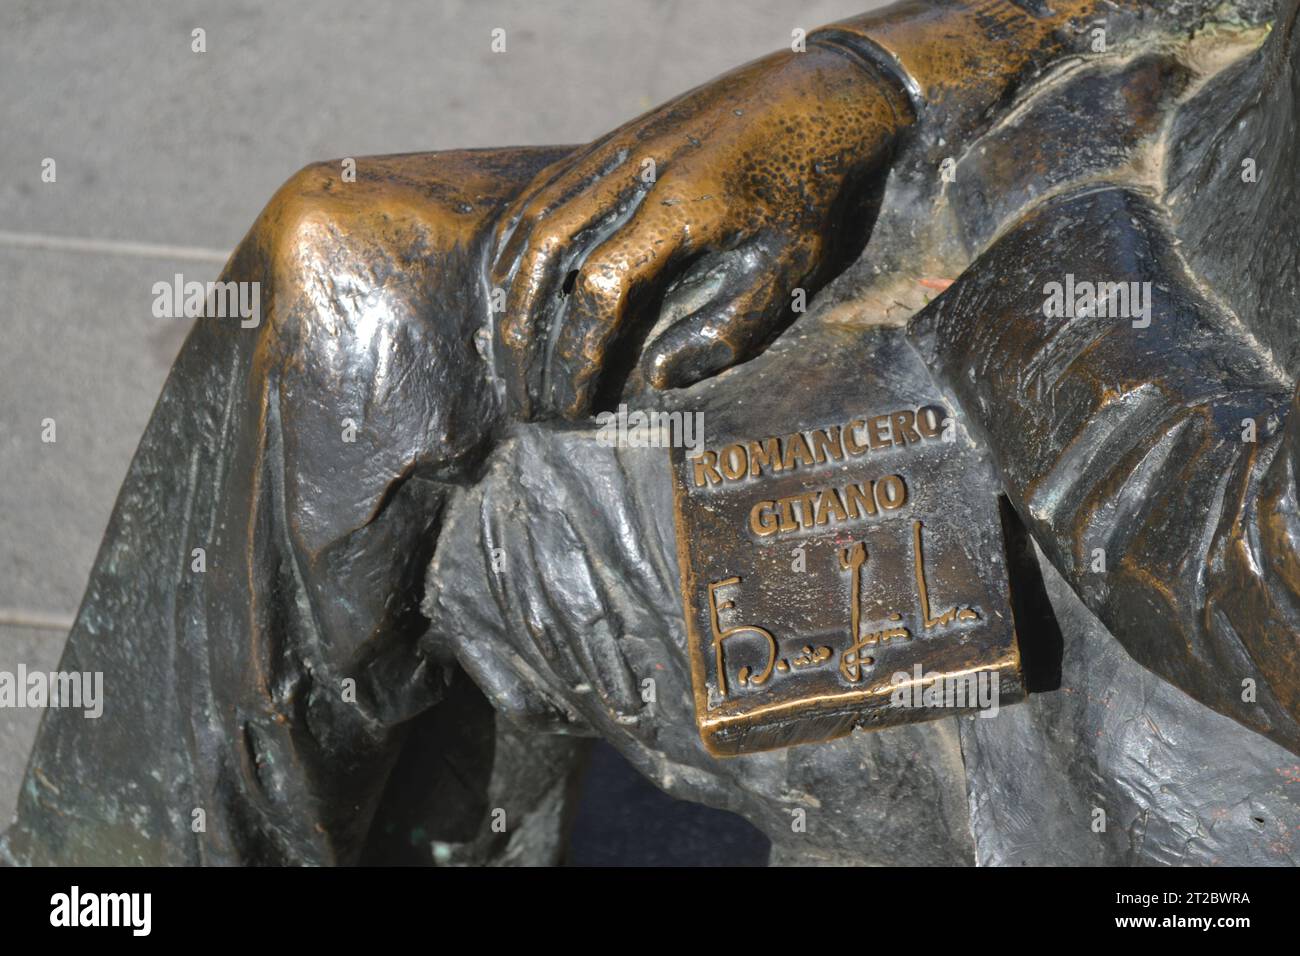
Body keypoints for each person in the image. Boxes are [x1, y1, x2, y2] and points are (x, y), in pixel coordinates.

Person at [4, 0, 1298, 865]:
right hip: (1114, 242)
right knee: (365, 290)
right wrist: (876, 78)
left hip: (1174, 635)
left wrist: (1021, 225)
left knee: (405, 378)